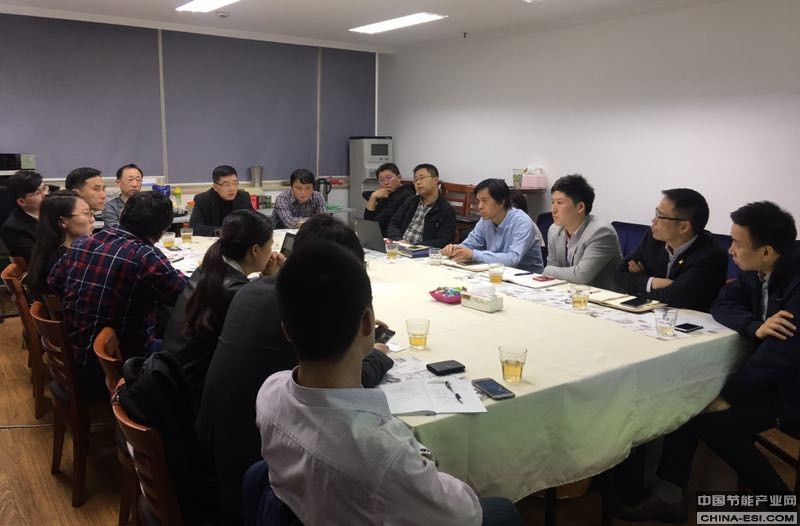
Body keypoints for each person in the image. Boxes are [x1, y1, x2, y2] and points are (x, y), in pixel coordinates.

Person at [255, 240, 524, 526]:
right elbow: (465, 514)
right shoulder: (380, 454)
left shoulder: (269, 393)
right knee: (501, 512)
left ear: (287, 331)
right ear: (368, 323)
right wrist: (422, 458)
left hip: (302, 510)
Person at [196, 215, 394, 526]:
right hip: (260, 474)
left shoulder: (254, 290)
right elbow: (342, 383)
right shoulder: (302, 314)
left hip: (218, 450)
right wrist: (377, 353)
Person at [619, 202, 799, 523]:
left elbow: (780, 354)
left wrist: (729, 395)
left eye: (737, 243)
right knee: (692, 398)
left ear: (767, 251)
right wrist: (755, 326)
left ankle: (784, 507)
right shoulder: (756, 271)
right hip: (769, 377)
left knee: (717, 424)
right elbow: (722, 303)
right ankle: (669, 496)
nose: (731, 250)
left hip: (790, 387)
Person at [48, 191, 188, 399]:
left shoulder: (84, 242)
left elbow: (53, 282)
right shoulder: (146, 256)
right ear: (162, 231)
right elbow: (187, 296)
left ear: (123, 214)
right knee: (191, 349)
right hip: (116, 366)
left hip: (75, 352)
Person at [162, 210, 283, 405]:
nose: (272, 251)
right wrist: (271, 282)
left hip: (172, 378)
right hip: (191, 397)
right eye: (271, 244)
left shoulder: (209, 269)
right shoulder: (235, 291)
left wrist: (264, 280)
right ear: (255, 250)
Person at [615, 188, 728, 312]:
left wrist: (639, 282)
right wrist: (653, 282)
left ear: (684, 227)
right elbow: (619, 273)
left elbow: (676, 298)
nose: (653, 221)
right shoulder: (653, 238)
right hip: (651, 315)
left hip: (688, 320)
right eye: (656, 213)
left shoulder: (711, 256)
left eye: (660, 216)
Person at [442, 178, 543, 272]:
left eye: (484, 201)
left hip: (525, 277)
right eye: (478, 201)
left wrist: (474, 255)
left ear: (501, 202)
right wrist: (454, 249)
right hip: (495, 272)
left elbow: (513, 259)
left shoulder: (522, 222)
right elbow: (470, 244)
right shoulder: (485, 220)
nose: (480, 206)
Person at [542, 174, 622, 290]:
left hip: (600, 297)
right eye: (552, 202)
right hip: (566, 293)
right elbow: (552, 271)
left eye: (559, 203)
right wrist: (550, 271)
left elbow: (581, 276)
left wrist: (548, 270)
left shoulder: (601, 233)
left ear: (580, 207)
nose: (553, 209)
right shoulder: (554, 230)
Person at [27, 191, 93, 299]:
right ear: (63, 222)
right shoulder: (65, 259)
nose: (92, 219)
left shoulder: (48, 249)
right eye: (86, 213)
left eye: (91, 213)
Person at [386, 163, 455, 248]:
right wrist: (398, 240)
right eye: (415, 180)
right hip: (400, 246)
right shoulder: (410, 201)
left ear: (435, 180)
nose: (418, 182)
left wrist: (413, 246)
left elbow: (443, 240)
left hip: (422, 252)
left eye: (422, 178)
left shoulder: (446, 210)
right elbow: (393, 223)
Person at [189, 165, 253, 236]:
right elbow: (195, 227)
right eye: (226, 185)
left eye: (235, 183)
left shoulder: (243, 197)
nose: (232, 188)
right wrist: (221, 231)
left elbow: (253, 221)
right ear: (215, 187)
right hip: (212, 241)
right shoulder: (203, 199)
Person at [0, 170, 46, 262]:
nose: (45, 194)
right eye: (38, 193)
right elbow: (38, 259)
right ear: (21, 201)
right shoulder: (13, 228)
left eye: (44, 188)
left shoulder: (53, 210)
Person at [363, 162, 414, 236]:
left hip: (392, 237)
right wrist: (373, 197)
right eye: (381, 180)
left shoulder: (404, 195)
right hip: (378, 234)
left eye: (389, 178)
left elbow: (375, 225)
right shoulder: (387, 193)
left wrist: (373, 196)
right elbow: (367, 223)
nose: (386, 182)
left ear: (399, 177)